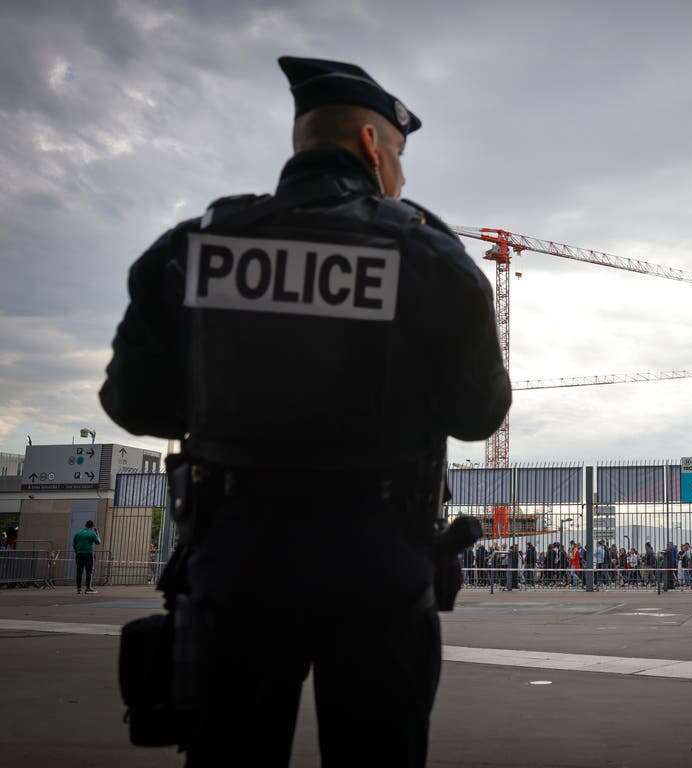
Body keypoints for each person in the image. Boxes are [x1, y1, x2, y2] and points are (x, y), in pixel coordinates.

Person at [99, 56, 510, 765]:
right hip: (379, 566)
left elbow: (132, 404)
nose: (403, 179)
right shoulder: (426, 255)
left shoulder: (193, 250)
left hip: (234, 563)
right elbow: (479, 415)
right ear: (372, 147)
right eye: (401, 158)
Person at [72, 520, 101, 594]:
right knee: (89, 571)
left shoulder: (78, 533)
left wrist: (77, 551)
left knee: (79, 571)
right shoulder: (92, 533)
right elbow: (98, 542)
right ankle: (88, 588)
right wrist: (97, 533)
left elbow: (74, 544)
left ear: (85, 525)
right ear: (92, 526)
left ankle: (79, 589)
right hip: (88, 554)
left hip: (79, 554)